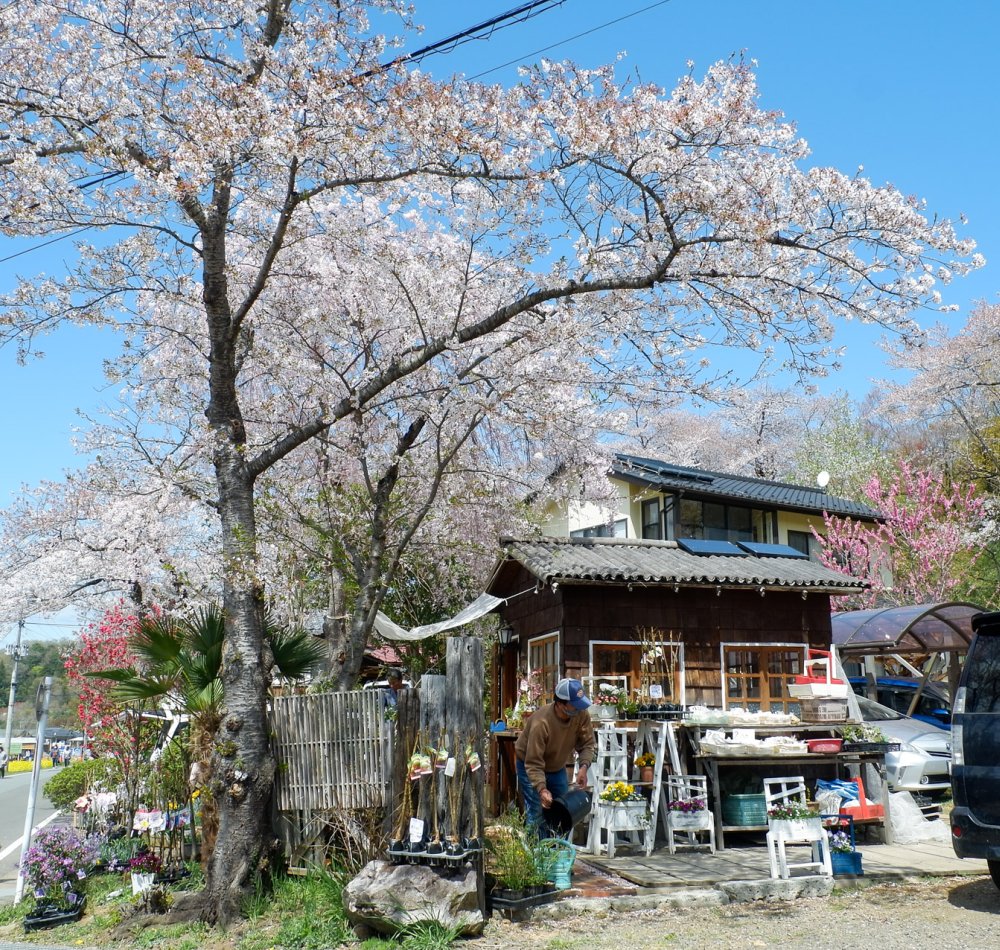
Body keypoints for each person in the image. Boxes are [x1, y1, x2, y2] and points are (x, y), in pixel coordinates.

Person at [514, 678, 595, 836]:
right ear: (560, 704)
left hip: (557, 767)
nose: (579, 708)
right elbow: (534, 763)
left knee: (562, 811)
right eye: (575, 704)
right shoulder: (541, 722)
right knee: (536, 812)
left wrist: (584, 767)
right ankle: (534, 856)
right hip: (529, 765)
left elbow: (587, 744)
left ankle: (556, 854)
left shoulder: (581, 715)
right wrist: (542, 788)